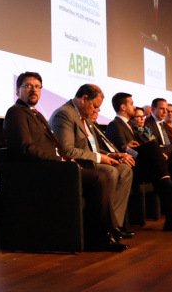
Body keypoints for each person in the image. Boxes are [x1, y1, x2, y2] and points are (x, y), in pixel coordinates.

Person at [3, 73, 127, 251]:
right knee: (99, 178)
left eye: (38, 86)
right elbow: (25, 148)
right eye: (28, 86)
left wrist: (65, 159)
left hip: (53, 167)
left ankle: (104, 232)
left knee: (102, 176)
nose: (34, 90)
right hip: (40, 171)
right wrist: (58, 160)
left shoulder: (35, 113)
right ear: (17, 91)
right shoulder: (16, 112)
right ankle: (103, 235)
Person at [105, 93, 172, 231]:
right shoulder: (114, 125)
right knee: (153, 147)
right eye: (131, 104)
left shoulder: (129, 126)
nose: (134, 106)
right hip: (131, 167)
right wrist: (142, 150)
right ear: (123, 107)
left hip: (143, 164)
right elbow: (124, 152)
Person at [51, 84, 135, 240]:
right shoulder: (64, 115)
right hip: (75, 165)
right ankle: (100, 228)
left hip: (90, 160)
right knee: (110, 171)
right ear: (84, 99)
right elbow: (67, 151)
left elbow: (93, 147)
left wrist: (110, 154)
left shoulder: (86, 117)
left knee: (125, 169)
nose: (98, 110)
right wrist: (102, 158)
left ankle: (113, 225)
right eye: (95, 106)